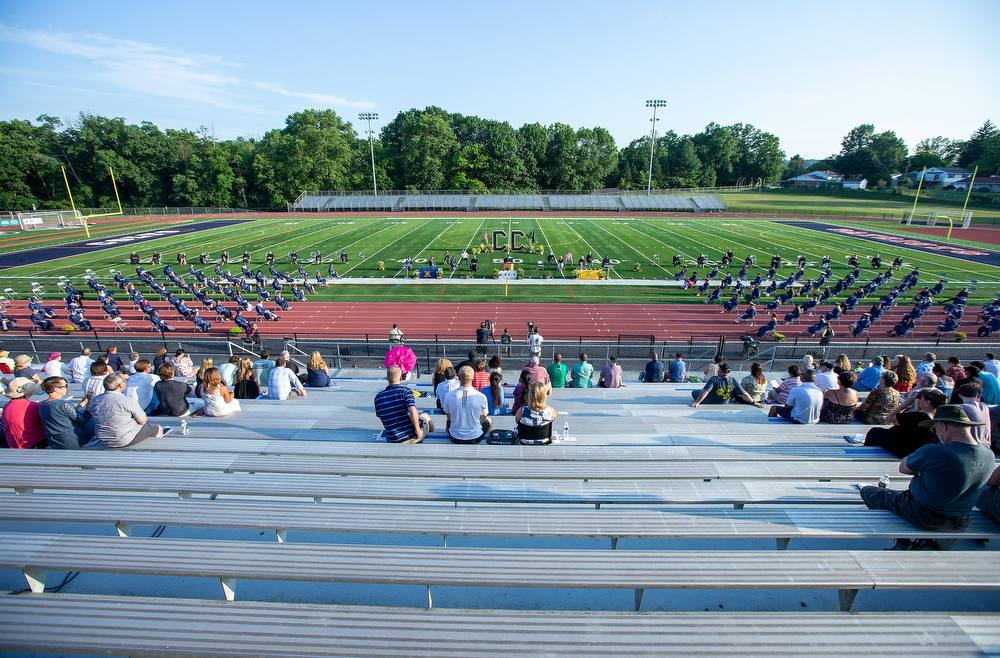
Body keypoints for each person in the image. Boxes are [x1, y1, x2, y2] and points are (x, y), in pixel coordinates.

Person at [859, 405, 994, 549]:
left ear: (943, 425)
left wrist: (922, 470)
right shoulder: (988, 455)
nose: (935, 433)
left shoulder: (934, 452)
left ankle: (904, 542)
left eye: (934, 429)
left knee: (869, 492)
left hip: (925, 515)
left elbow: (903, 467)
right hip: (962, 520)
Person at [852, 388, 949, 457]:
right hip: (917, 449)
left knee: (874, 432)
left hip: (903, 448)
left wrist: (906, 403)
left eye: (921, 399)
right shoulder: (939, 418)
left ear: (927, 403)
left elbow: (890, 417)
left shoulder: (919, 416)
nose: (919, 401)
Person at [92, 374, 169, 447]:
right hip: (123, 439)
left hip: (103, 439)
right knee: (157, 428)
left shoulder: (95, 400)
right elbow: (143, 420)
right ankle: (158, 452)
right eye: (125, 380)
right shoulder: (127, 401)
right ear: (120, 385)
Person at [374, 365, 434, 443]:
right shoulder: (406, 392)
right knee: (425, 416)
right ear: (400, 379)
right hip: (410, 436)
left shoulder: (378, 397)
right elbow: (412, 411)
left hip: (391, 438)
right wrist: (417, 430)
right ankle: (434, 441)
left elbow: (382, 416)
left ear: (387, 378)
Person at [39, 376, 93, 449]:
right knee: (94, 417)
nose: (67, 388)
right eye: (64, 386)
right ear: (56, 389)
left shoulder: (43, 404)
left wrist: (83, 402)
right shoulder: (63, 404)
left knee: (83, 411)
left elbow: (71, 414)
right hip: (73, 441)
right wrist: (90, 401)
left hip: (55, 442)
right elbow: (84, 419)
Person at [442, 365, 491, 444]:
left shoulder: (449, 396)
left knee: (448, 422)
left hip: (455, 437)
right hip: (475, 437)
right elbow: (483, 418)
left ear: (459, 378)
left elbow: (449, 417)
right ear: (472, 378)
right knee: (489, 420)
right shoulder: (481, 397)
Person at [690, 363, 765, 408]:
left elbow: (705, 391)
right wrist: (753, 402)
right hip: (724, 402)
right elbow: (744, 393)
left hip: (710, 401)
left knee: (694, 392)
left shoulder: (714, 379)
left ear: (720, 371)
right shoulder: (734, 381)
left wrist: (697, 402)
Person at [2, 377, 46, 448]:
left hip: (12, 443)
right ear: (29, 392)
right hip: (32, 443)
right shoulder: (32, 406)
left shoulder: (6, 406)